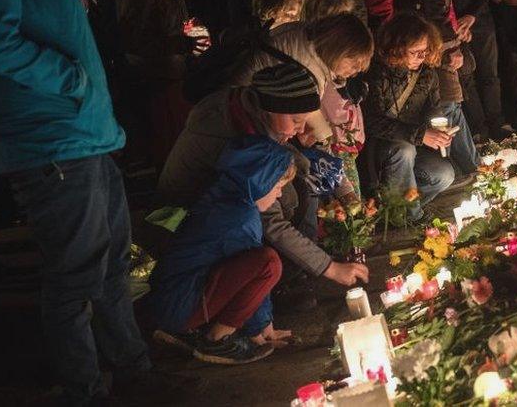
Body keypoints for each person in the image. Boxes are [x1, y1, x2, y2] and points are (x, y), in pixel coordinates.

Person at [0, 0, 171, 402]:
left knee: (112, 264)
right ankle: (84, 390)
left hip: (81, 134)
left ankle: (136, 373)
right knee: (76, 277)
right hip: (51, 139)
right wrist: (69, 79)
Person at [157, 63, 369, 306]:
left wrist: (314, 170)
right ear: (271, 109)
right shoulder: (235, 138)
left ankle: (291, 273)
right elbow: (271, 222)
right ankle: (269, 289)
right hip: (189, 219)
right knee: (289, 198)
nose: (301, 129)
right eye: (296, 120)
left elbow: (298, 153)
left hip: (219, 209)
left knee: (302, 185)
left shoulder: (247, 109)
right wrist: (330, 268)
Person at [149, 135, 295, 365]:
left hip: (173, 298)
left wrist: (265, 325)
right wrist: (258, 330)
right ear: (260, 181)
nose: (279, 194)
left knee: (261, 261)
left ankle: (205, 331)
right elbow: (254, 273)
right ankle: (216, 340)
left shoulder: (225, 198)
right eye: (278, 186)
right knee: (269, 263)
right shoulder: (240, 217)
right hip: (178, 306)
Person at [234, 13, 374, 198]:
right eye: (354, 63)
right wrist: (346, 192)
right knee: (300, 192)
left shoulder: (304, 34)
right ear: (337, 50)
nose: (356, 71)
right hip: (247, 123)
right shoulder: (309, 72)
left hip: (237, 103)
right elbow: (314, 131)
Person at [394, 0, 479, 181]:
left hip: (411, 33)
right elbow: (436, 2)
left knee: (445, 101)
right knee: (449, 100)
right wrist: (450, 45)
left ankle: (468, 164)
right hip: (429, 38)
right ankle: (471, 168)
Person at [115, 0, 206, 170]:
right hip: (154, 83)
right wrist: (179, 44)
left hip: (171, 77)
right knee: (172, 153)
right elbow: (133, 37)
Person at [362, 14, 456, 222]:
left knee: (444, 174)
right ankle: (413, 217)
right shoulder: (377, 73)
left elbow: (433, 107)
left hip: (414, 144)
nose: (420, 58)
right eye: (414, 52)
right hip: (380, 147)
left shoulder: (426, 74)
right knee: (404, 149)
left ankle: (395, 208)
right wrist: (421, 135)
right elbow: (372, 121)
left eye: (425, 52)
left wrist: (438, 127)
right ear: (397, 48)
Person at [446, 0, 506, 140]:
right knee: (465, 76)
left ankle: (497, 124)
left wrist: (473, 13)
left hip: (479, 18)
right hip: (453, 24)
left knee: (489, 73)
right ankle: (480, 130)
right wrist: (454, 24)